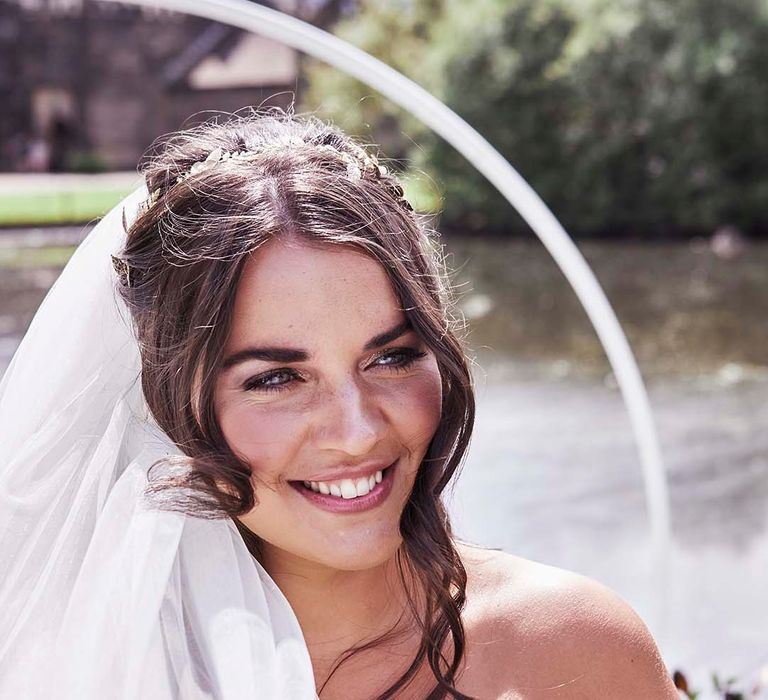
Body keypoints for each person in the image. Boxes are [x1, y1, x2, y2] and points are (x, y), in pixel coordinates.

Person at [0, 109, 679, 699]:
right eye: (275, 379)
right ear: (166, 398)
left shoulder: (571, 651)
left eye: (391, 357)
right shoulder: (86, 668)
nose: (356, 433)